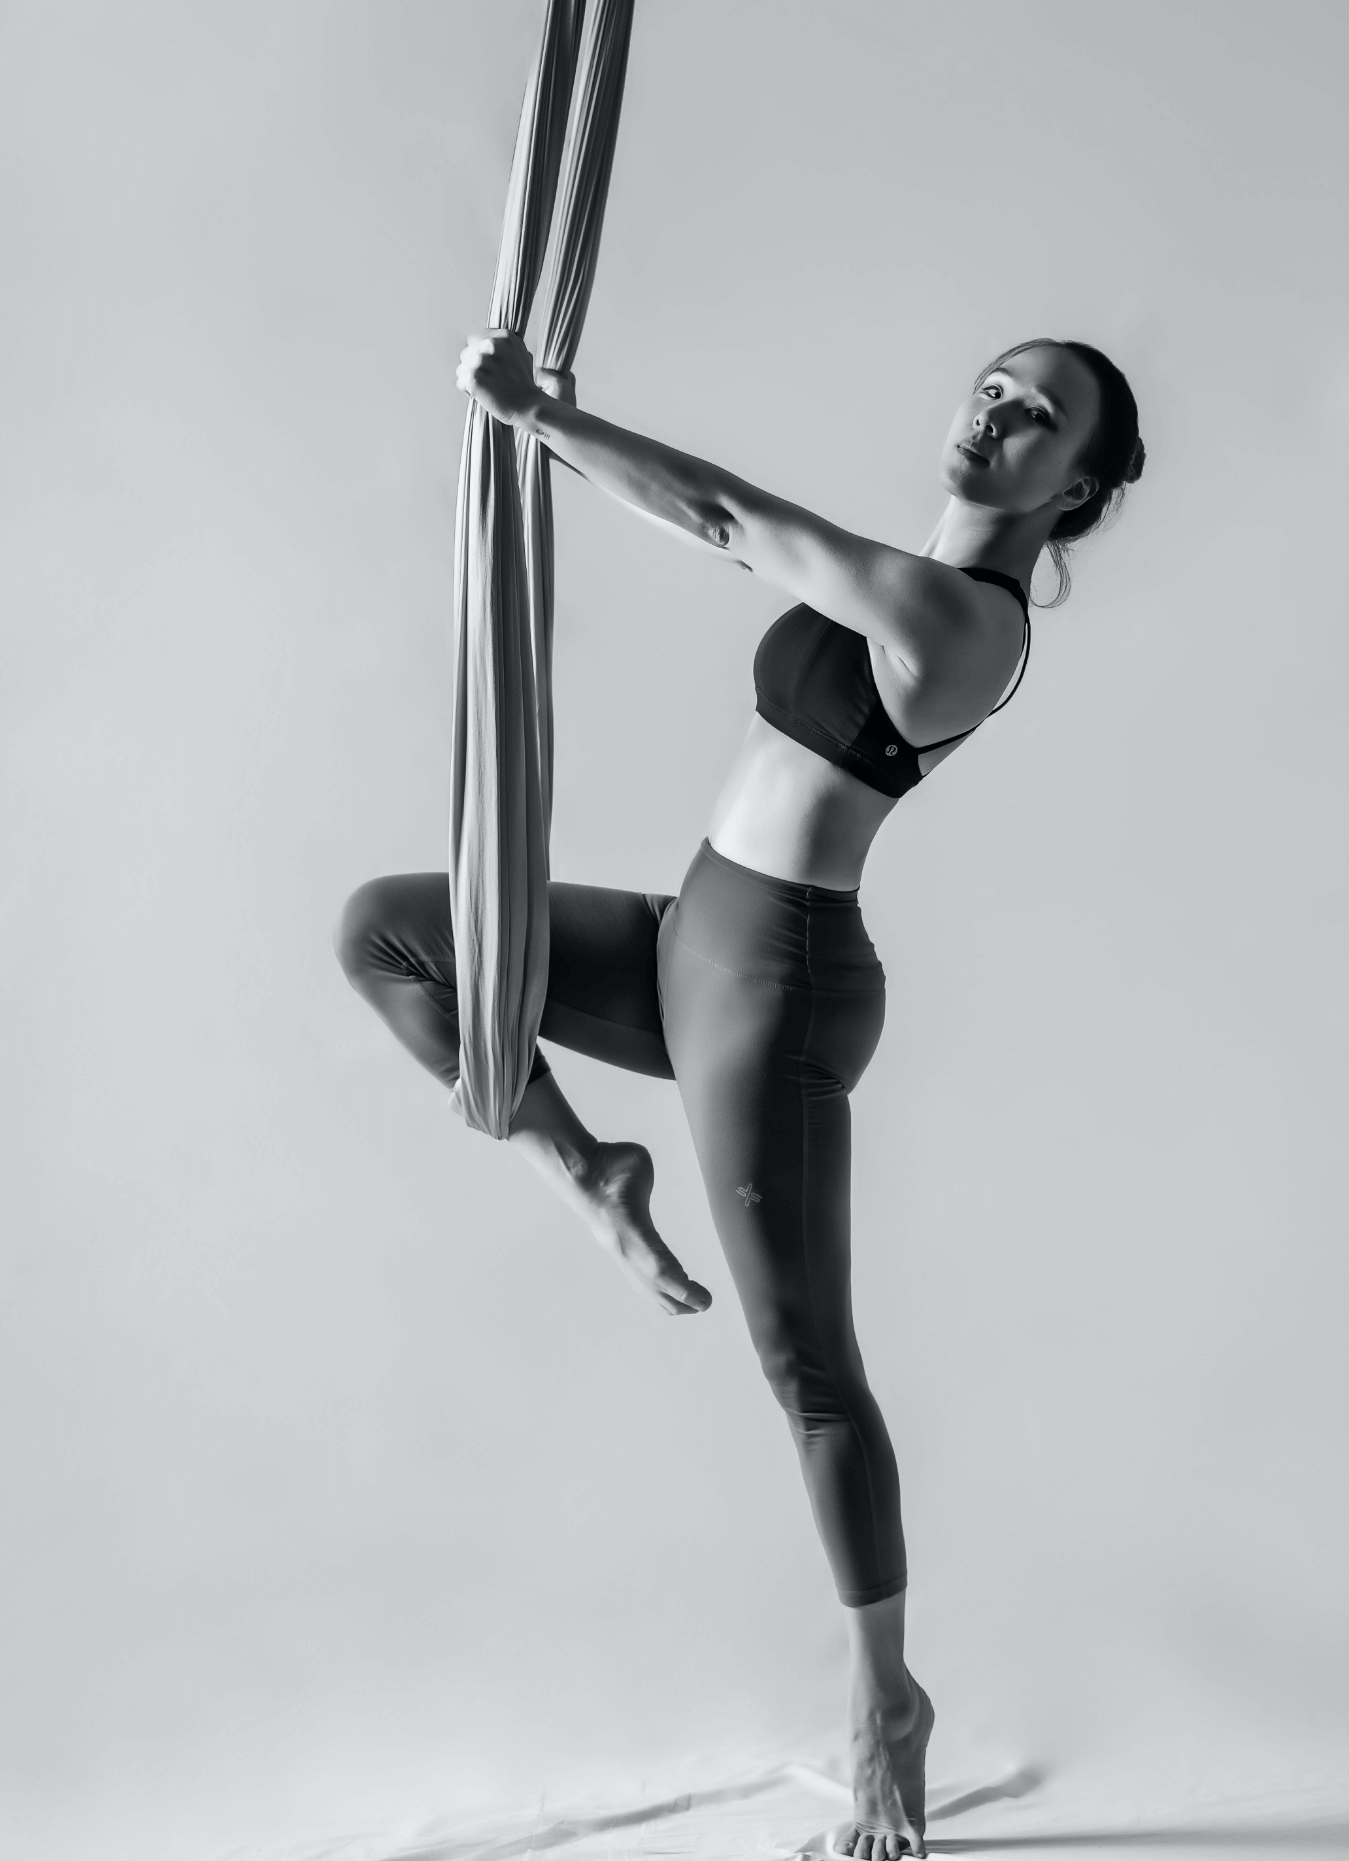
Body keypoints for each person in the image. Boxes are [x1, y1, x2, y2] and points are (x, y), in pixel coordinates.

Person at [335, 331, 1144, 1859]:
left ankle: (884, 1707)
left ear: (1078, 481)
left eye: (1035, 415)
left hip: (774, 991)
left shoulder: (966, 626)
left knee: (809, 1370)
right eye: (987, 385)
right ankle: (589, 1172)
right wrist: (540, 437)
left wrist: (547, 423)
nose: (991, 413)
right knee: (390, 930)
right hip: (684, 930)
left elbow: (726, 522)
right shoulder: (902, 568)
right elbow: (740, 544)